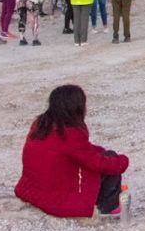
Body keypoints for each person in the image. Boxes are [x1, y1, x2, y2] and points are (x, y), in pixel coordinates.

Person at [14, 85, 130, 217]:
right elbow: (96, 163)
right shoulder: (70, 132)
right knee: (111, 162)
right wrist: (123, 161)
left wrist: (98, 151)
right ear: (77, 107)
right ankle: (109, 208)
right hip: (56, 201)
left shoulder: (41, 123)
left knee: (103, 157)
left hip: (32, 192)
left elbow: (77, 150)